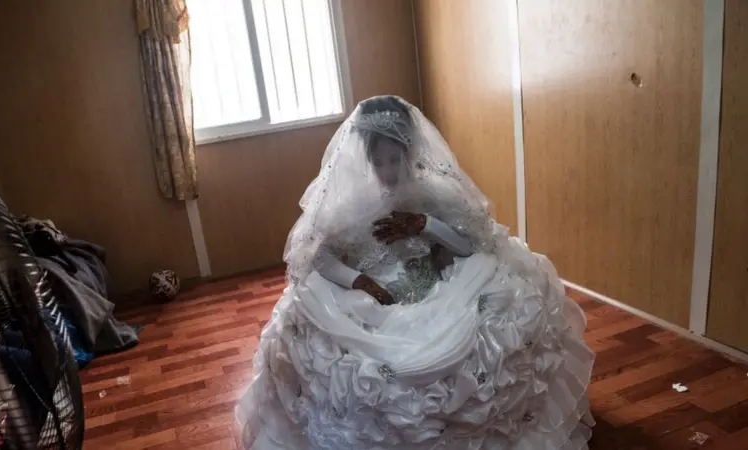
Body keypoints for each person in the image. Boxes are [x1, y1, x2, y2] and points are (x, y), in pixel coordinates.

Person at [235, 95, 595, 450]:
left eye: (395, 159)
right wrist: (362, 282)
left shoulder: (433, 193)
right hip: (372, 300)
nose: (388, 171)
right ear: (365, 158)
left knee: (493, 326)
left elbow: (471, 247)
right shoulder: (350, 203)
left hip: (434, 292)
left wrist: (425, 224)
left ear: (410, 150)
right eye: (379, 162)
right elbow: (319, 260)